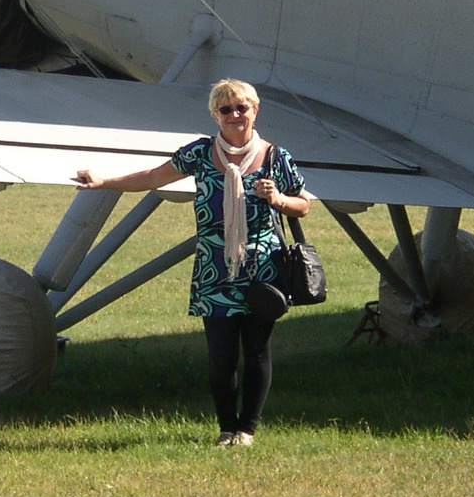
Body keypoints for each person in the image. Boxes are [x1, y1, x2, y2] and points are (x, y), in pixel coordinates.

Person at [75, 78, 311, 446]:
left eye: (241, 107)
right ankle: (226, 428)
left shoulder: (276, 157)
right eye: (225, 109)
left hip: (262, 270)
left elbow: (304, 204)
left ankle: (247, 430)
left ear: (255, 110)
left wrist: (278, 199)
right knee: (221, 360)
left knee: (257, 353)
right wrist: (104, 180)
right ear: (215, 116)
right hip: (214, 269)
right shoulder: (201, 153)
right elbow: (154, 177)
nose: (235, 115)